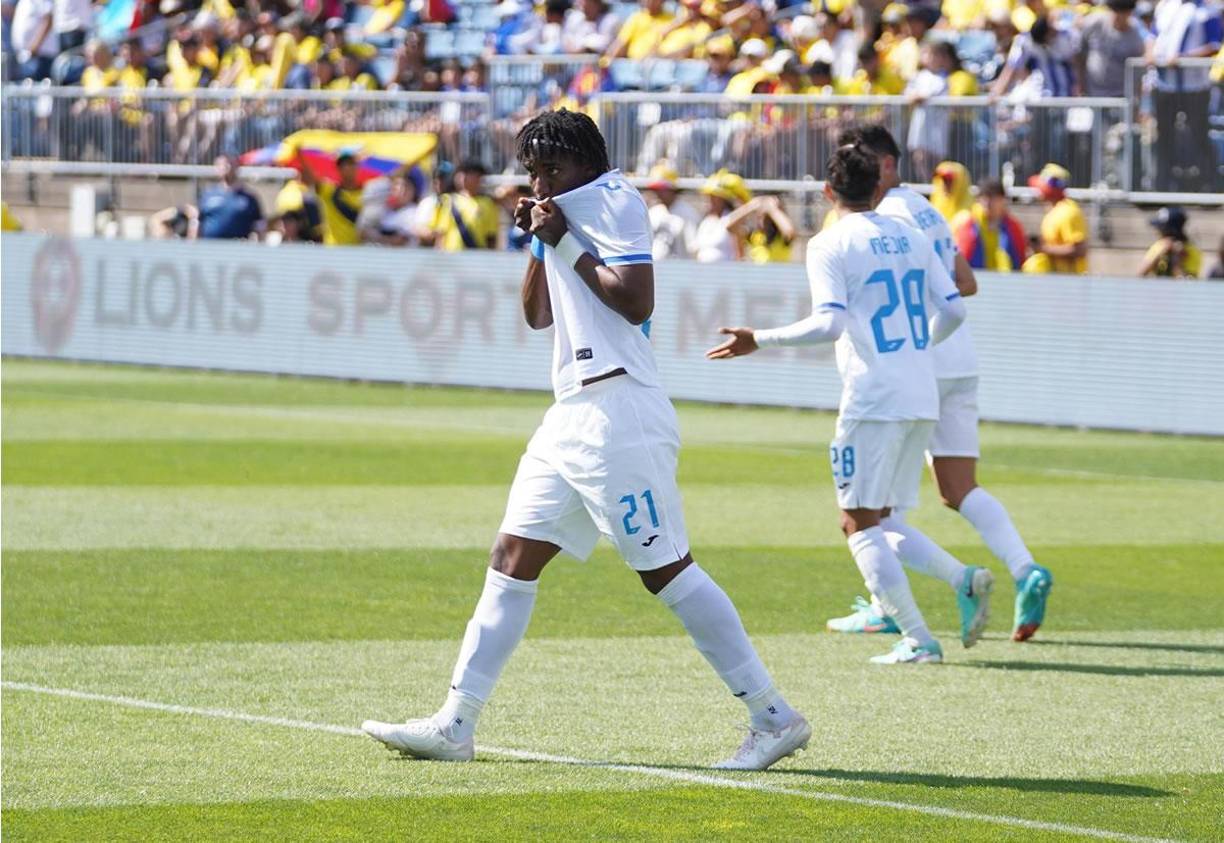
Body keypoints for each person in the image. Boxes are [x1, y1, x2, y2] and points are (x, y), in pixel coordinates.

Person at [362, 109, 810, 770]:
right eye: (533, 171)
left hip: (618, 411)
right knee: (511, 556)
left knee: (666, 571)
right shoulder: (562, 212)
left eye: (552, 168)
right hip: (571, 414)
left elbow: (636, 301)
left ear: (586, 161)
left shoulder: (615, 201)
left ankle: (773, 715)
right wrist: (541, 244)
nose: (541, 181)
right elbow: (538, 314)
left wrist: (565, 238)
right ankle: (456, 723)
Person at [706, 143, 970, 665]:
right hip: (921, 392)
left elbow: (829, 323)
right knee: (884, 516)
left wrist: (759, 337)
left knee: (857, 520)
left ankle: (918, 637)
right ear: (879, 187)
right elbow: (956, 309)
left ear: (828, 192)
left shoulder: (830, 243)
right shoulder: (913, 234)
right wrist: (919, 351)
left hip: (874, 396)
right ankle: (963, 581)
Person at [828, 125, 1053, 644]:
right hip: (958, 359)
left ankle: (897, 608)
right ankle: (1025, 569)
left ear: (883, 164)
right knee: (957, 489)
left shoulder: (881, 219)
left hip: (914, 361)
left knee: (876, 513)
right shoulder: (927, 209)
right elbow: (965, 282)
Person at [1146, 0, 1222, 192]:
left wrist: (1183, 58)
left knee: (1199, 135)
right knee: (1164, 137)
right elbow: (1153, 35)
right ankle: (1161, 186)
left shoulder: (1207, 12)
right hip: (1165, 85)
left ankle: (1208, 185)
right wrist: (1150, 55)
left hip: (1194, 86)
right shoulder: (1166, 6)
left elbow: (1214, 45)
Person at [422, 159, 500, 251]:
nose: (462, 177)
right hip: (450, 258)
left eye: (468, 173)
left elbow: (491, 236)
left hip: (477, 259)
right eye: (460, 173)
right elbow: (440, 233)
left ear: (479, 177)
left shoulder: (488, 203)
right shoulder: (446, 200)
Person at [1077, 0, 1149, 98]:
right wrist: (1080, 83)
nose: (1119, 16)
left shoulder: (1136, 31)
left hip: (1122, 96)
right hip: (1093, 93)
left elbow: (1141, 64)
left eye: (1124, 12)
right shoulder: (1094, 23)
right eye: (1116, 11)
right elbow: (1079, 54)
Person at [952, 179, 1028, 271]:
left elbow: (1020, 259)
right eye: (984, 197)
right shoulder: (967, 223)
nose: (987, 203)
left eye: (993, 197)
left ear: (1003, 199)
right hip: (976, 277)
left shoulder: (1013, 227)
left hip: (1006, 281)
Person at [1027, 162, 1088, 274]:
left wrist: (1043, 248)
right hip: (1056, 279)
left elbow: (1079, 249)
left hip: (1070, 283)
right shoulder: (1054, 212)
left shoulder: (1068, 212)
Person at [297, 149, 365, 247]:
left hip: (359, 250)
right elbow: (311, 177)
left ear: (357, 168)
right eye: (344, 165)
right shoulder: (329, 191)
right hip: (333, 248)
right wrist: (300, 153)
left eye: (352, 164)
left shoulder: (367, 192)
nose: (348, 168)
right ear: (339, 169)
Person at [195, 154, 264, 240]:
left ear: (237, 167)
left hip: (238, 249)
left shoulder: (249, 198)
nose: (225, 167)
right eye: (221, 165)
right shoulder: (208, 195)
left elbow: (259, 226)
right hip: (210, 249)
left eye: (229, 163)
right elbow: (197, 222)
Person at [692, 169, 751, 262]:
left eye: (714, 197)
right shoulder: (706, 221)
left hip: (725, 274)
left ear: (723, 199)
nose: (709, 201)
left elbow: (740, 254)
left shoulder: (732, 220)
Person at [643, 162, 697, 260]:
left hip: (678, 271)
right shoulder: (653, 212)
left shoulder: (687, 213)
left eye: (661, 190)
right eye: (656, 190)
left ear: (672, 189)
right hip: (656, 269)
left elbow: (693, 249)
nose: (658, 194)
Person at [1139, 206, 1202, 278]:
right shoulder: (1159, 246)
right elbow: (1140, 275)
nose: (1157, 230)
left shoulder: (1191, 250)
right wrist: (1160, 254)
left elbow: (1186, 284)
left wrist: (1176, 258)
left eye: (1161, 227)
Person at [11, 0, 56, 81]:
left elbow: (49, 19)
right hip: (25, 55)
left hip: (41, 55)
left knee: (39, 90)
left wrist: (35, 46)